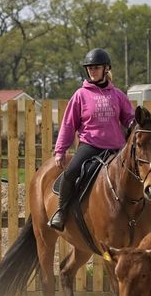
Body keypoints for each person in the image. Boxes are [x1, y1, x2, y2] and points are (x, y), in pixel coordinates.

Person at [48, 47, 135, 231]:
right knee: (71, 172)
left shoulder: (118, 95)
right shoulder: (80, 95)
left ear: (106, 69)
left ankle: (144, 216)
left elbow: (129, 118)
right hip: (90, 146)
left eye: (96, 67)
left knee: (135, 176)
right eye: (89, 68)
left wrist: (136, 122)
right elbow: (68, 124)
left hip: (115, 149)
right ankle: (61, 212)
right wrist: (60, 151)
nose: (92, 71)